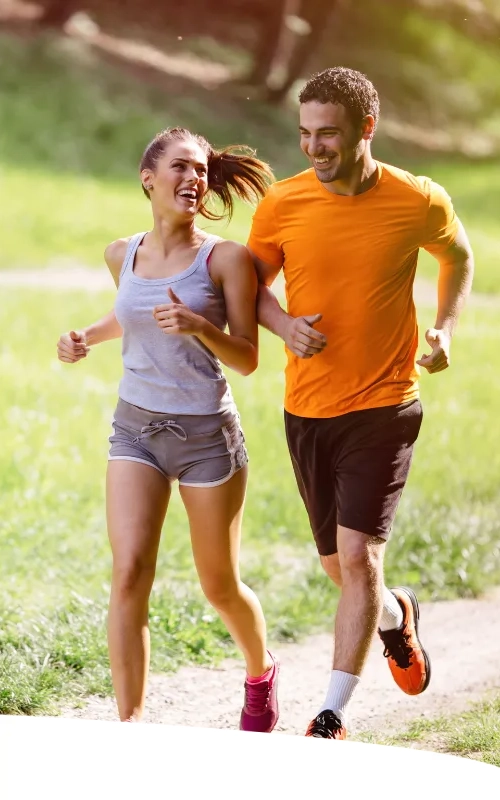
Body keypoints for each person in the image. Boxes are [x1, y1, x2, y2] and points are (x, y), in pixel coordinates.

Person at [247, 67, 474, 739]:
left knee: (356, 559)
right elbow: (249, 286)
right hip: (307, 407)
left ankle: (332, 714)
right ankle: (397, 617)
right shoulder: (283, 203)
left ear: (366, 128)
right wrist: (284, 325)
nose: (314, 147)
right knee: (339, 568)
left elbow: (457, 257)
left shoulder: (416, 198)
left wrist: (445, 328)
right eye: (305, 133)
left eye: (328, 134)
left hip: (386, 403)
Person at [57, 127, 280, 732]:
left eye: (202, 170)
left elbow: (247, 357)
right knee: (129, 572)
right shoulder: (120, 254)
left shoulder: (225, 259)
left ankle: (260, 671)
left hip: (207, 437)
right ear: (148, 178)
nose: (194, 178)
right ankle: (130, 727)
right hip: (135, 429)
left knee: (219, 585)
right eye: (181, 166)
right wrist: (85, 337)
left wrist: (199, 326)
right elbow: (133, 314)